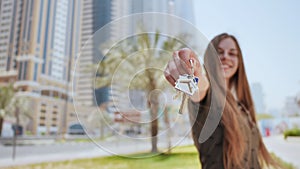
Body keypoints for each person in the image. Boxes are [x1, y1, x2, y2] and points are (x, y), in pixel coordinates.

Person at [164, 33, 280, 169]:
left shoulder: (241, 106)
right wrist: (194, 74)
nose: (225, 56)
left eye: (232, 53)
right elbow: (201, 88)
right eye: (219, 52)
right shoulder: (208, 97)